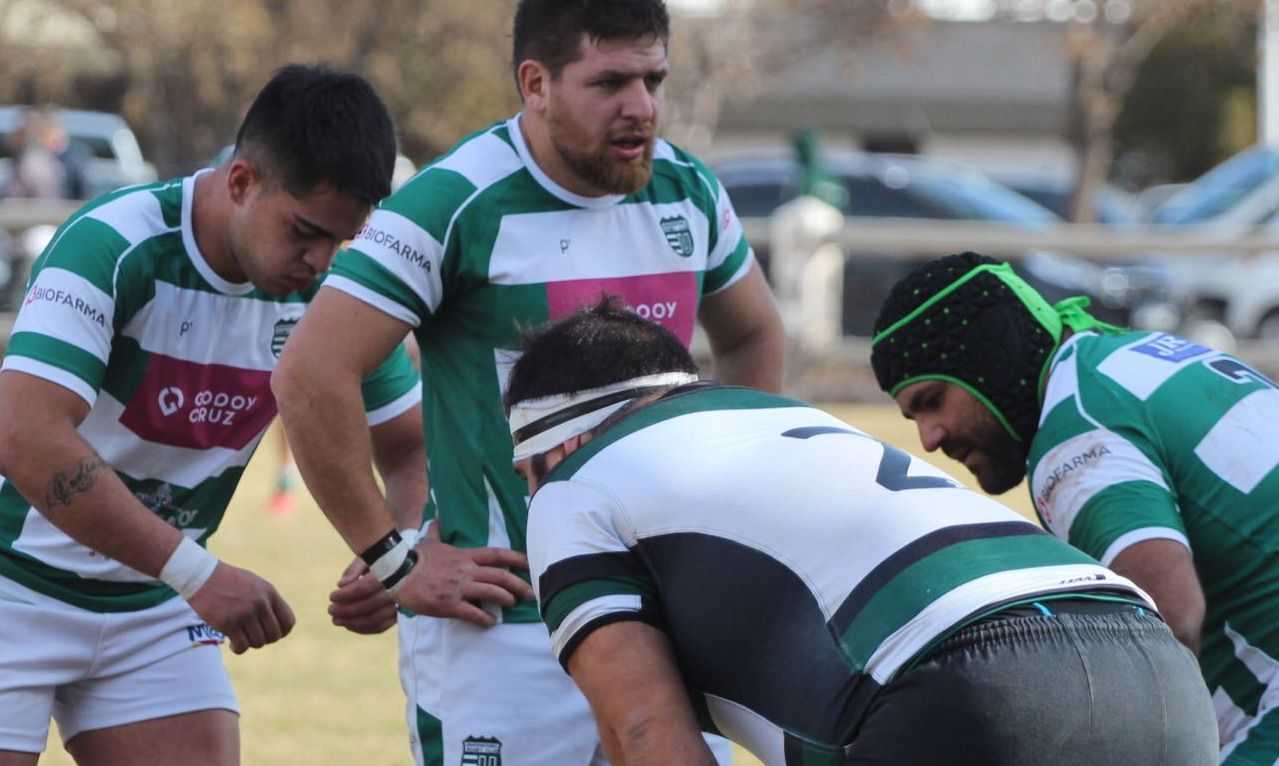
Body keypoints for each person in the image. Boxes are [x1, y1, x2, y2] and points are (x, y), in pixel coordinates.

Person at [272, 1, 785, 763]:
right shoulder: (454, 202)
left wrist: (720, 502)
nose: (641, 107)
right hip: (504, 624)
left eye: (652, 80)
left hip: (661, 608)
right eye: (608, 82)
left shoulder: (688, 190)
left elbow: (752, 336)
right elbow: (311, 372)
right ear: (536, 84)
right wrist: (391, 558)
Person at [500, 298, 1216, 765]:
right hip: (1161, 679)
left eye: (527, 475)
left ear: (559, 443)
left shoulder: (573, 483)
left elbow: (644, 732)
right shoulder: (782, 418)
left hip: (967, 689)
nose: (533, 495)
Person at [0, 64, 424, 766]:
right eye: (305, 232)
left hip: (150, 603)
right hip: (14, 584)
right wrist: (197, 574)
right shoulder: (113, 243)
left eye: (341, 240)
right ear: (241, 182)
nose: (321, 262)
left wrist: (396, 552)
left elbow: (409, 446)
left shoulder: (330, 293)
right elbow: (25, 435)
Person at [870, 251, 1279, 764]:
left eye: (933, 401)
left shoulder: (1073, 434)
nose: (928, 438)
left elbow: (1170, 627)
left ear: (990, 358)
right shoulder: (1124, 357)